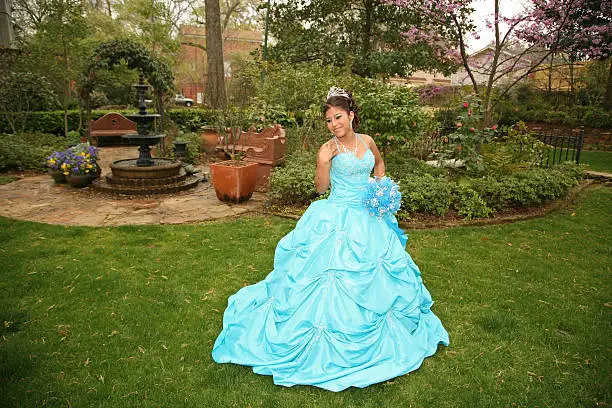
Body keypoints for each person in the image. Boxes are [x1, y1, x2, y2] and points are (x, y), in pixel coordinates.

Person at [212, 87, 449, 392]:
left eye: (338, 117)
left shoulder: (368, 141)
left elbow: (378, 164)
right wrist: (323, 161)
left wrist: (381, 188)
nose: (333, 123)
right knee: (328, 275)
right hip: (335, 216)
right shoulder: (329, 148)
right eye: (328, 120)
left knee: (380, 270)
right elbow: (320, 188)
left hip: (368, 217)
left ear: (351, 115)